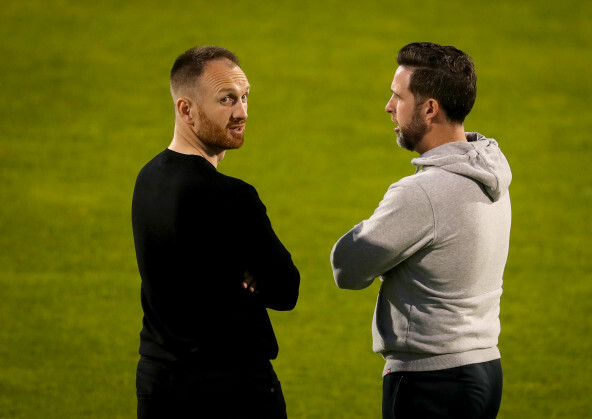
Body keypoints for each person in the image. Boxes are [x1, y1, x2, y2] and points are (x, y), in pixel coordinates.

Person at [330, 42, 512, 418]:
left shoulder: (422, 194)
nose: (388, 106)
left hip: (432, 383)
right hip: (484, 371)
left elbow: (346, 267)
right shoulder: (491, 173)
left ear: (429, 109)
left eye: (398, 96)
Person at [131, 46, 300, 418]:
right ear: (186, 109)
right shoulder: (230, 196)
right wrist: (252, 275)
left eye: (243, 97)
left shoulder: (148, 178)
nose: (241, 112)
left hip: (159, 384)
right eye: (226, 100)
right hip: (231, 393)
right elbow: (287, 288)